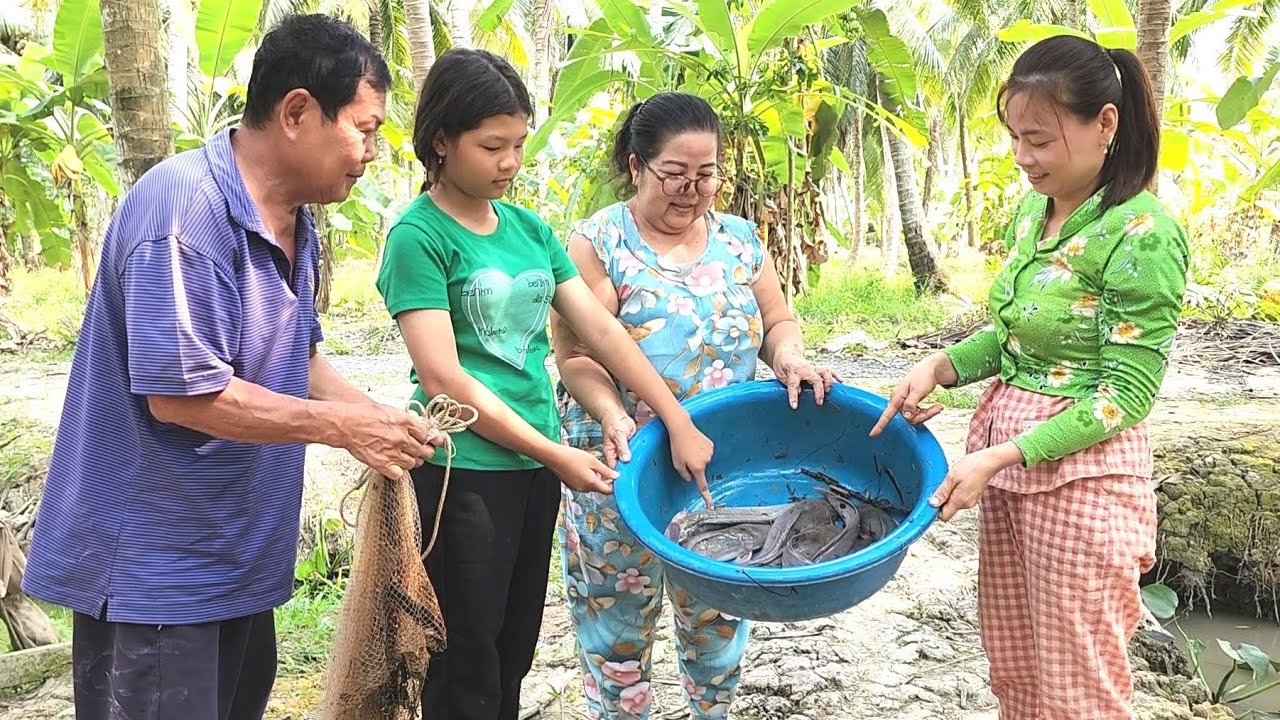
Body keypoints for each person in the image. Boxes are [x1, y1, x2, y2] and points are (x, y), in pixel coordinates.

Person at [20, 14, 441, 720]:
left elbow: (294, 357)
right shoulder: (185, 214)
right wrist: (342, 429)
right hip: (159, 576)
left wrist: (375, 417)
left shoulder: (292, 217)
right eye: (363, 129)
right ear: (298, 112)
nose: (371, 151)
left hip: (237, 564)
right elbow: (184, 398)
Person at [375, 51, 715, 720]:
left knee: (512, 652)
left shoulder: (529, 230)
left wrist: (673, 416)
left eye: (519, 144)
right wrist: (554, 452)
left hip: (532, 470)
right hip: (461, 473)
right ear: (441, 141)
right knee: (464, 658)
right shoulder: (419, 237)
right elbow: (445, 376)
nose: (510, 162)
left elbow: (604, 334)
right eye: (491, 146)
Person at [871, 36, 1189, 720]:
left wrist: (1003, 454)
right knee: (1015, 667)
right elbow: (1017, 338)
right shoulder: (1031, 213)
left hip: (1083, 486)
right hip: (1008, 476)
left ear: (1105, 123)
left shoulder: (1142, 232)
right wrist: (942, 366)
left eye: (1039, 139)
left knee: (1081, 687)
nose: (1022, 157)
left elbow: (1125, 394)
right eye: (1015, 137)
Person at [550, 91, 840, 720]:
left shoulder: (738, 240)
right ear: (635, 165)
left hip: (719, 463)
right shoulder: (599, 242)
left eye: (705, 175)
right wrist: (612, 413)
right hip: (622, 461)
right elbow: (575, 356)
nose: (691, 190)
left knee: (718, 613)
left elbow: (776, 320)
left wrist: (790, 359)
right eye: (674, 175)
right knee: (617, 623)